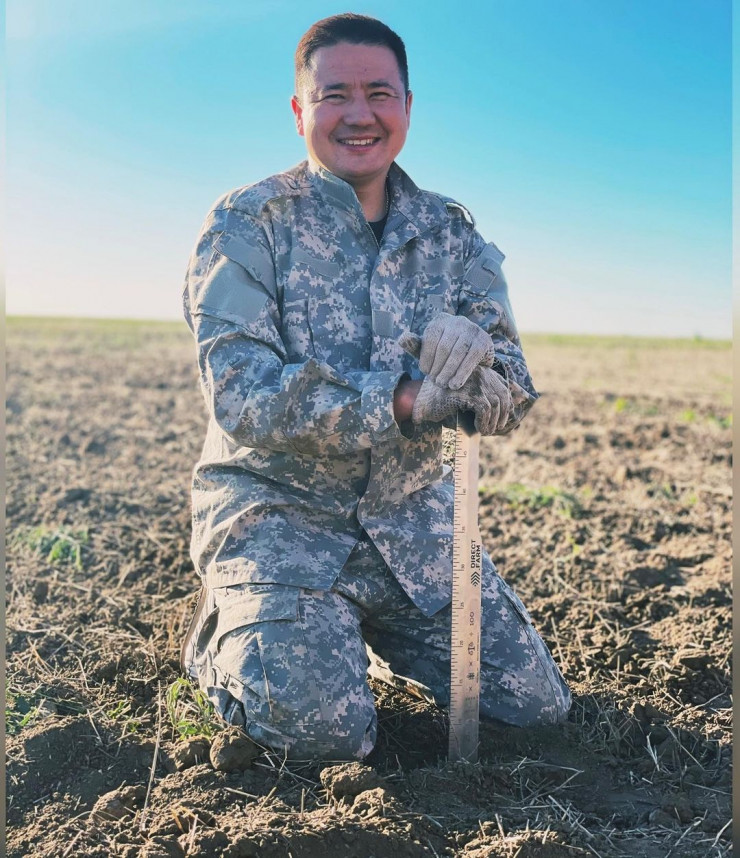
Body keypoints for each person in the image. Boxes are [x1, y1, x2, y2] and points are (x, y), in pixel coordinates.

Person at [181, 13, 570, 760]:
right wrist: (403, 400)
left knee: (533, 711)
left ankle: (341, 638)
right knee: (323, 738)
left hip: (412, 527)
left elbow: (513, 387)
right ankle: (224, 638)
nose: (359, 114)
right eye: (335, 95)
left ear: (408, 107)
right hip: (280, 521)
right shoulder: (246, 225)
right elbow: (242, 392)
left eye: (379, 93)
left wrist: (483, 377)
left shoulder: (452, 236)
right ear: (300, 111)